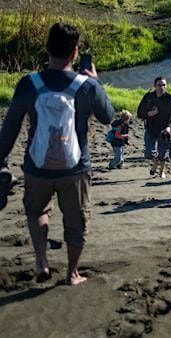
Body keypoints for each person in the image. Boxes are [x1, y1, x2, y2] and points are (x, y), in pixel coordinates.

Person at [0, 23, 115, 285]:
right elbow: (107, 117)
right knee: (76, 223)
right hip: (75, 169)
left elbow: (10, 128)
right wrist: (97, 82)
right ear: (75, 53)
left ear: (47, 49)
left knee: (37, 211)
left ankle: (42, 261)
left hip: (37, 168)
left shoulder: (29, 83)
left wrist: (1, 159)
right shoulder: (87, 86)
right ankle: (72, 273)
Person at [137, 76, 171, 176]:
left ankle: (161, 171)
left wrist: (168, 127)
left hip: (164, 129)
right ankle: (155, 164)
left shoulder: (170, 99)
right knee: (148, 152)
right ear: (154, 86)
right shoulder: (148, 97)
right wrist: (148, 114)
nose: (161, 87)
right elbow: (139, 113)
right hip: (150, 128)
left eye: (164, 85)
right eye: (159, 85)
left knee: (162, 153)